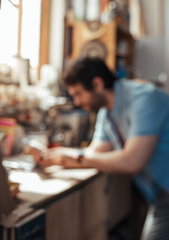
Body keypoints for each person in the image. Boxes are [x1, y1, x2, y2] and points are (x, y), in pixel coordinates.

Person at [37, 57, 169, 240]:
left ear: (97, 84)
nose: (76, 102)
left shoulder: (144, 98)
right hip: (161, 197)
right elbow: (95, 152)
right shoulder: (107, 113)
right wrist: (56, 157)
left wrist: (76, 157)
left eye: (78, 93)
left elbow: (133, 161)